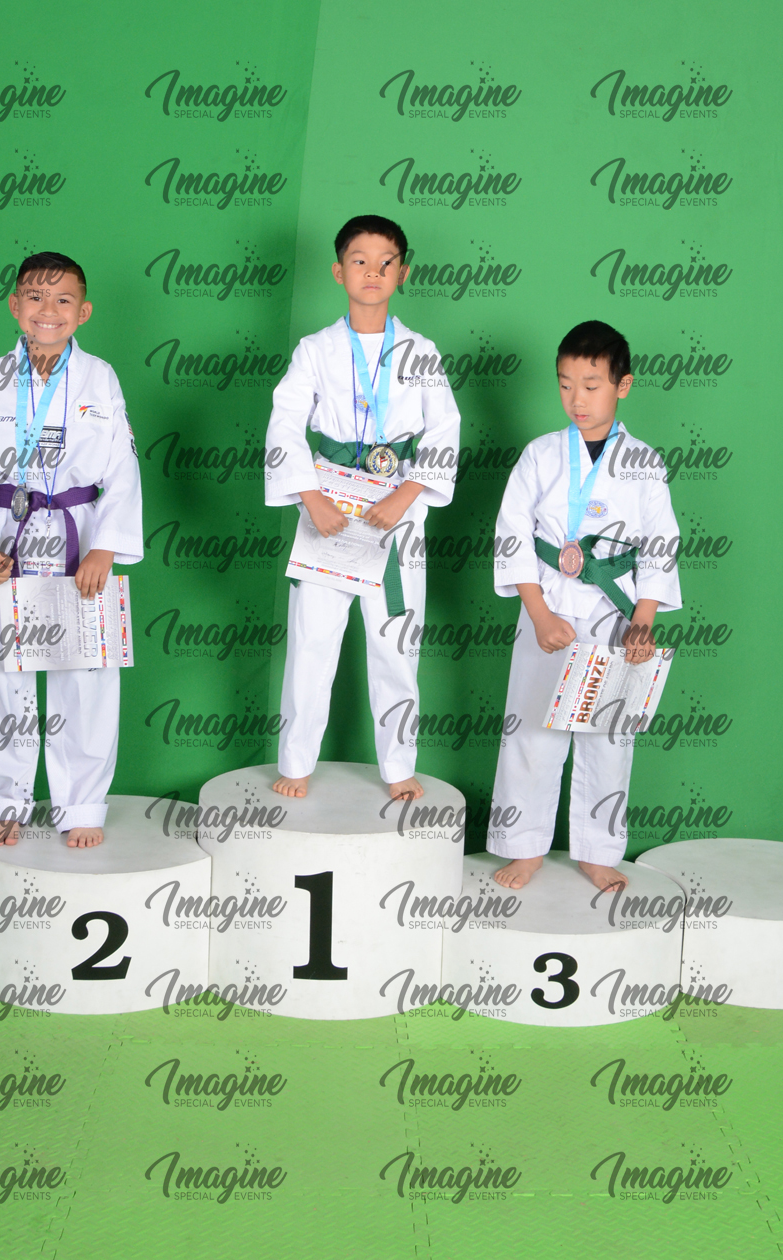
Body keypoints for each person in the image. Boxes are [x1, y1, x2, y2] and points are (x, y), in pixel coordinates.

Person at [0, 251, 142, 849]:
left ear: (83, 311)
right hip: (4, 531)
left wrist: (106, 548)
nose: (48, 309)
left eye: (63, 300)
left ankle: (81, 804)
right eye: (35, 296)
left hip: (79, 533)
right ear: (15, 305)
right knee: (0, 673)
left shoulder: (100, 377)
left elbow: (123, 467)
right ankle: (7, 801)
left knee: (85, 672)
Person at [265, 214, 461, 800]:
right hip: (327, 508)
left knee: (396, 643)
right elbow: (285, 424)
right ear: (338, 271)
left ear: (403, 272)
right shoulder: (315, 349)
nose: (372, 272)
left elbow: (444, 429)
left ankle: (398, 766)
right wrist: (310, 498)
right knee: (311, 643)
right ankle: (296, 761)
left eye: (385, 262)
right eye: (359, 260)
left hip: (396, 513)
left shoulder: (421, 351)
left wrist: (406, 494)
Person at [487, 320, 681, 891]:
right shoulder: (540, 455)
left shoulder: (645, 463)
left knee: (609, 734)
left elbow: (661, 543)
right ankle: (523, 846)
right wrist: (538, 614)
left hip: (614, 611)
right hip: (547, 602)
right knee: (531, 728)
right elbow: (511, 534)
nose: (577, 399)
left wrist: (643, 621)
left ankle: (598, 851)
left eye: (591, 385)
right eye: (566, 384)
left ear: (623, 385)